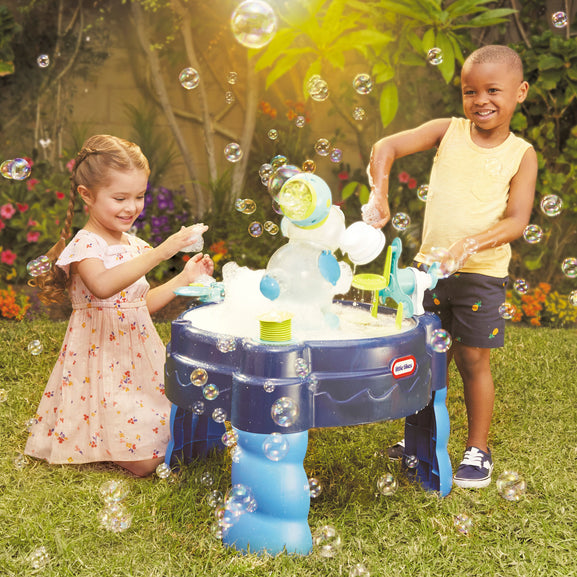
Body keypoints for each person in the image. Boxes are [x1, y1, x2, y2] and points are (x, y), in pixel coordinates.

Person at [367, 45, 538, 488]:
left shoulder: (521, 153)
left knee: (472, 359)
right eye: (470, 91)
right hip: (429, 271)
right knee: (426, 354)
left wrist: (470, 244)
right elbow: (386, 146)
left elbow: (517, 220)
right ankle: (421, 436)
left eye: (493, 90)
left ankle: (478, 449)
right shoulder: (448, 131)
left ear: (520, 92)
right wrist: (379, 193)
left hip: (481, 274)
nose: (480, 100)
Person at [25, 135, 214, 477]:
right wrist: (163, 251)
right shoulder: (86, 245)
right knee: (147, 462)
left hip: (139, 362)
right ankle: (103, 439)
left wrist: (185, 278)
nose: (131, 207)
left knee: (174, 433)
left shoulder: (134, 245)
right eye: (120, 198)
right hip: (102, 365)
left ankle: (133, 436)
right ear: (87, 195)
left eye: (139, 196)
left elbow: (139, 304)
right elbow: (102, 286)